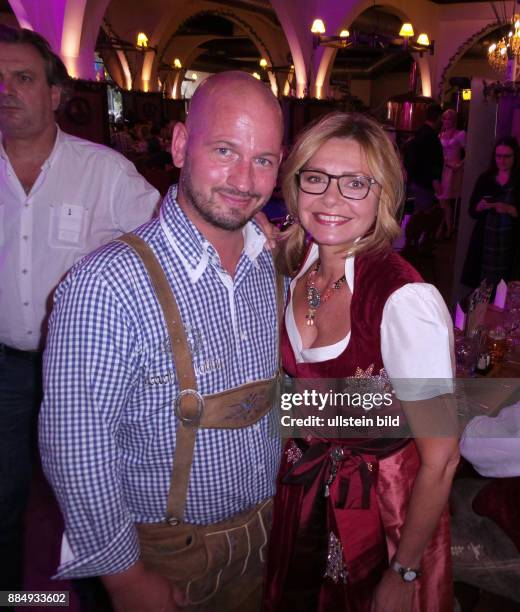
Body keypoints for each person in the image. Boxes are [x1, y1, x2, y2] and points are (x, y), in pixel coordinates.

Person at [39, 71, 284, 612]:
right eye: (225, 150)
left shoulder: (273, 267)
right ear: (179, 145)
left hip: (267, 538)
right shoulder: (105, 285)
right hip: (165, 557)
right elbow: (76, 448)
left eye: (263, 160)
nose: (244, 179)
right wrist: (124, 578)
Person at [264, 112, 459, 611]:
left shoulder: (404, 300)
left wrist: (405, 569)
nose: (331, 199)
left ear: (384, 195)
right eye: (316, 178)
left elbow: (441, 459)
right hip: (305, 495)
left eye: (355, 183)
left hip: (385, 515)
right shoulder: (295, 267)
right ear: (294, 185)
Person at [0, 25, 159, 596]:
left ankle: (104, 597)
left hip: (88, 373)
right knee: (2, 502)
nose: (7, 90)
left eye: (22, 78)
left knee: (95, 501)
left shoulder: (103, 172)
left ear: (55, 93)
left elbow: (163, 243)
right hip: (4, 366)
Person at [462, 137, 520, 290]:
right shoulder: (486, 178)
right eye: (498, 156)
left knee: (506, 286)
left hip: (510, 242)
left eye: (507, 156)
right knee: (483, 285)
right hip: (486, 239)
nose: (502, 160)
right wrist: (479, 207)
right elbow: (472, 211)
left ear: (515, 157)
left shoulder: (517, 180)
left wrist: (509, 209)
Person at [403, 104, 444, 252]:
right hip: (424, 183)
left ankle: (411, 244)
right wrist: (435, 180)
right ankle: (414, 246)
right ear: (438, 117)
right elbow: (433, 162)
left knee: (415, 214)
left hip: (414, 179)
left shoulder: (418, 133)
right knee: (421, 216)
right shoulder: (431, 137)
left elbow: (409, 156)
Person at [437, 109, 465, 240]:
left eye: (449, 119)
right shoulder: (440, 135)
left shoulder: (460, 134)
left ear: (454, 120)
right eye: (445, 119)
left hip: (453, 170)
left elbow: (470, 151)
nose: (447, 121)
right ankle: (446, 227)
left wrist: (460, 164)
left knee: (445, 200)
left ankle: (445, 228)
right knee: (442, 200)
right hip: (443, 169)